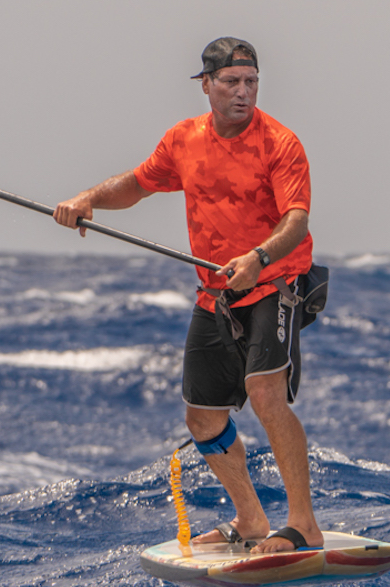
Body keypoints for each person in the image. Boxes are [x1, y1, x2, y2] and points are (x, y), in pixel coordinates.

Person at [53, 37, 322, 554]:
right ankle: (250, 520)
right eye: (231, 83)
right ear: (206, 85)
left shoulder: (281, 144)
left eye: (252, 82)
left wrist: (258, 259)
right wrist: (88, 200)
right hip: (216, 294)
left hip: (275, 285)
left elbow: (297, 222)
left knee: (265, 393)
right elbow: (137, 183)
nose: (244, 93)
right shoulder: (184, 140)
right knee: (203, 417)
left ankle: (303, 523)